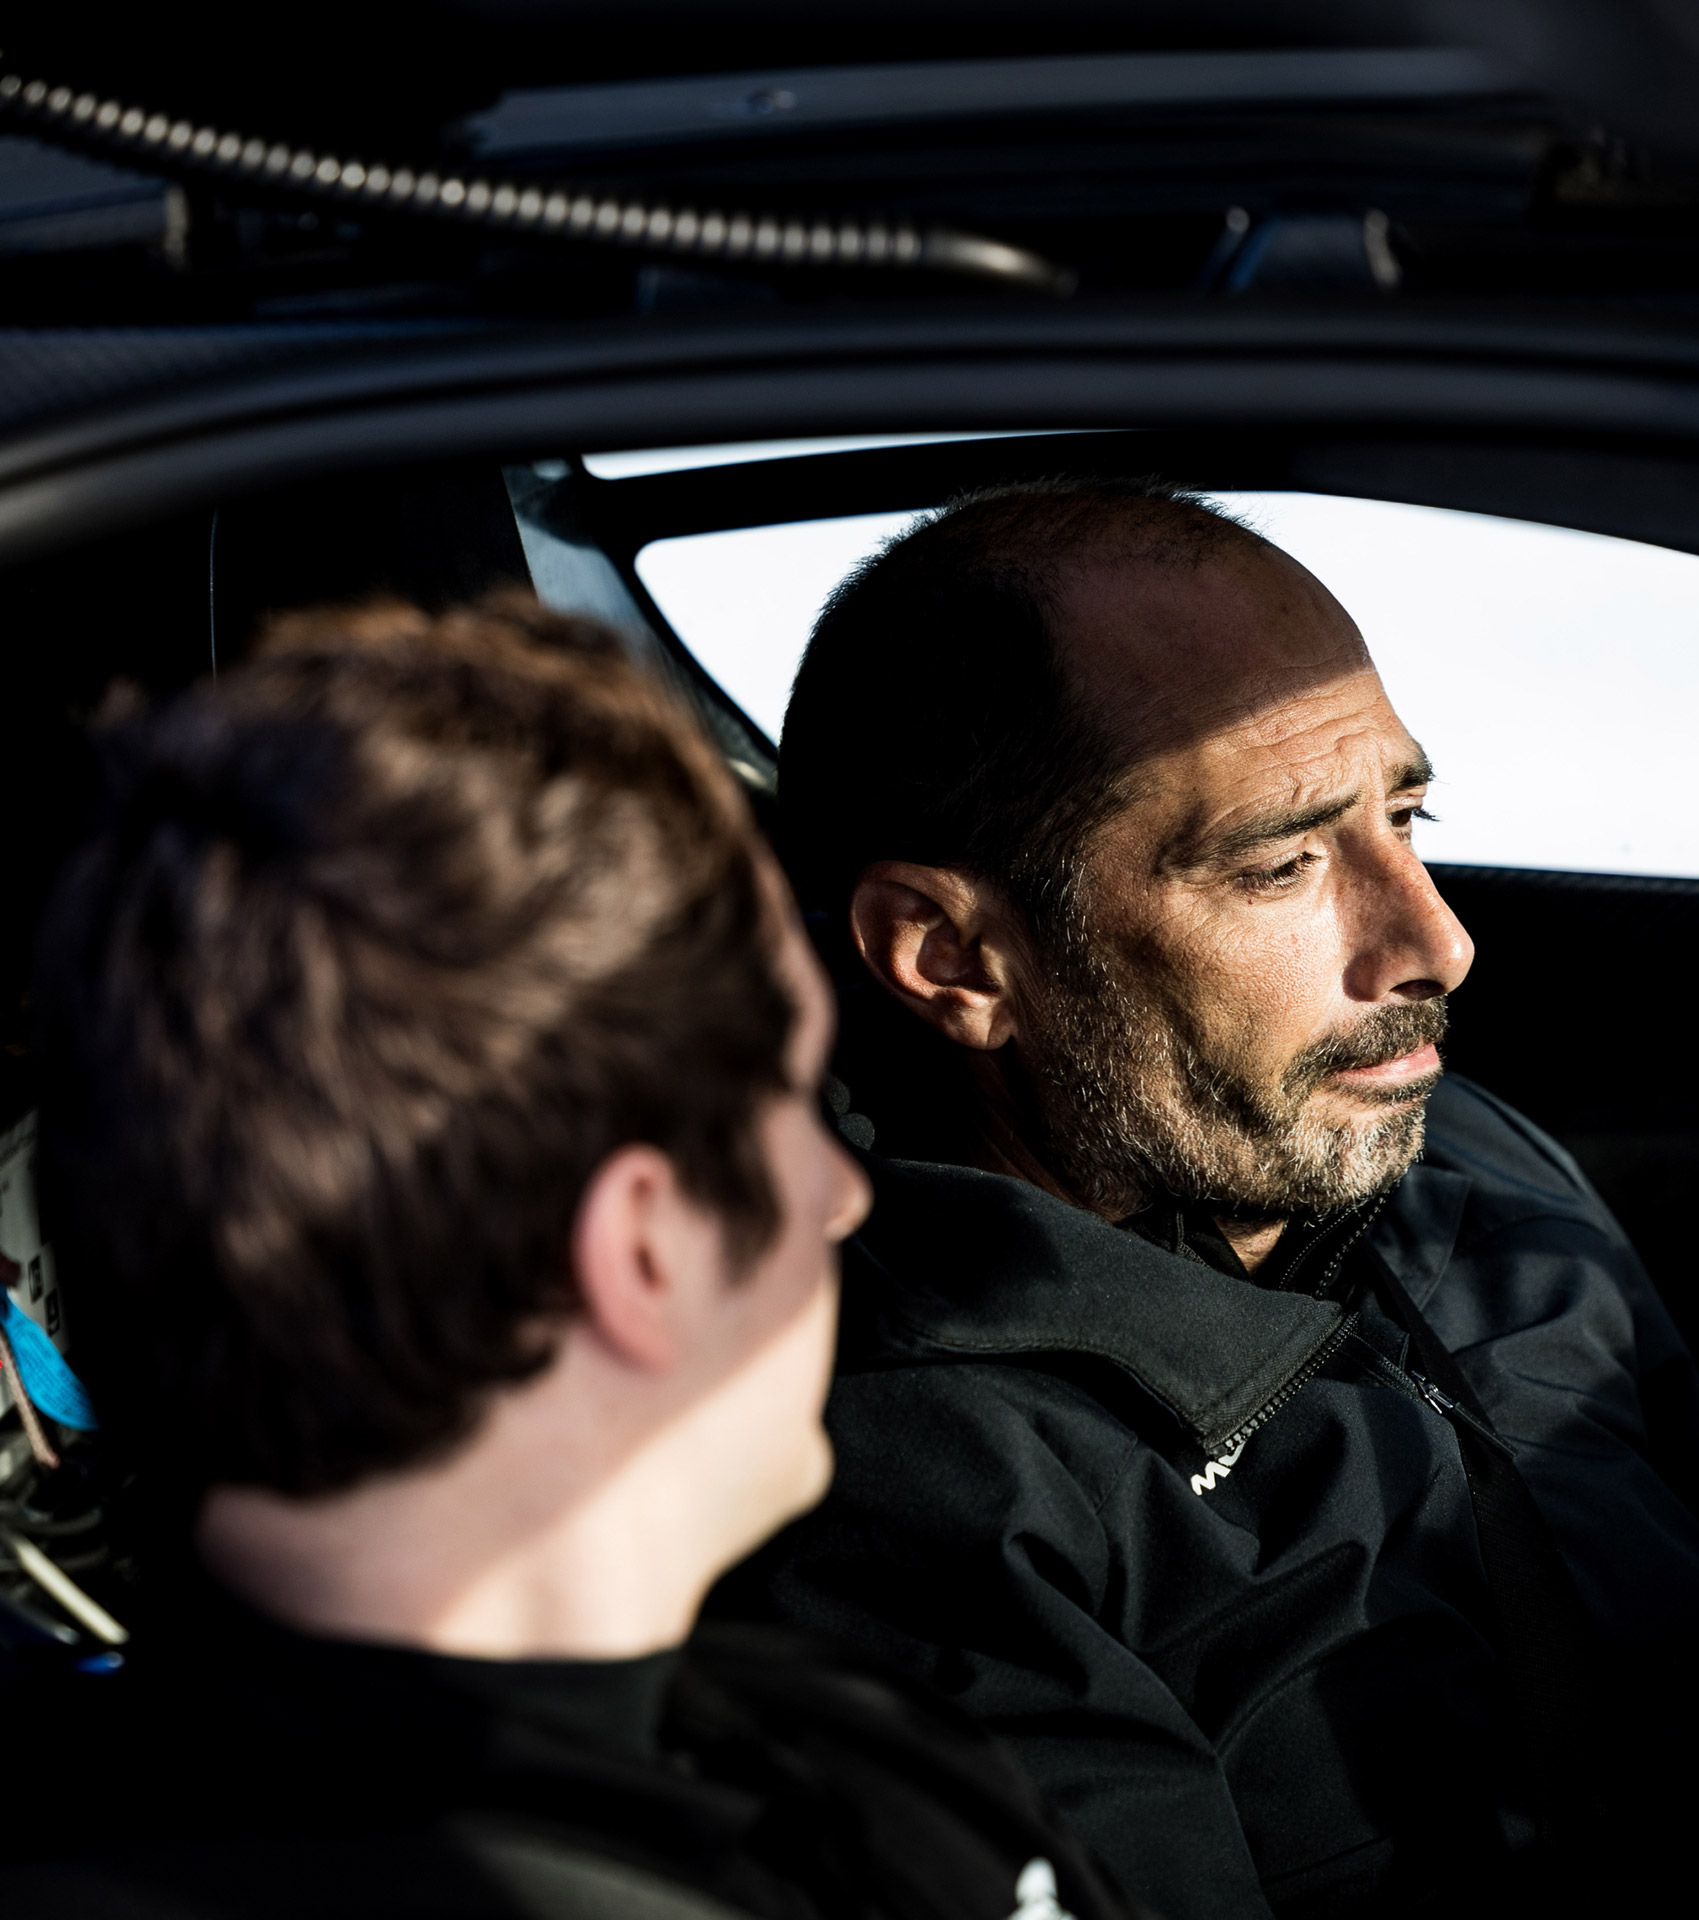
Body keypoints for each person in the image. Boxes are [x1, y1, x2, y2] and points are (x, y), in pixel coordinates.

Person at [0, 597, 1142, 1920]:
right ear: (642, 1250)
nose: (842, 1195)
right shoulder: (850, 1765)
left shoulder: (820, 1723)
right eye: (793, 1112)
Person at [715, 480, 1699, 1920]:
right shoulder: (912, 1492)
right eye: (1285, 863)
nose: (1438, 941)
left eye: (1409, 817)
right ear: (952, 962)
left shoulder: (1455, 1153)